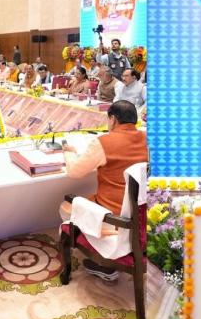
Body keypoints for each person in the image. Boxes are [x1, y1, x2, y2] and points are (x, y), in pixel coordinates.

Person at [60, 100, 148, 280]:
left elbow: (74, 171)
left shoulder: (104, 142)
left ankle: (105, 263)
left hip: (114, 218)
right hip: (142, 215)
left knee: (65, 208)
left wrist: (69, 151)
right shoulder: (148, 139)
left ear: (113, 119)